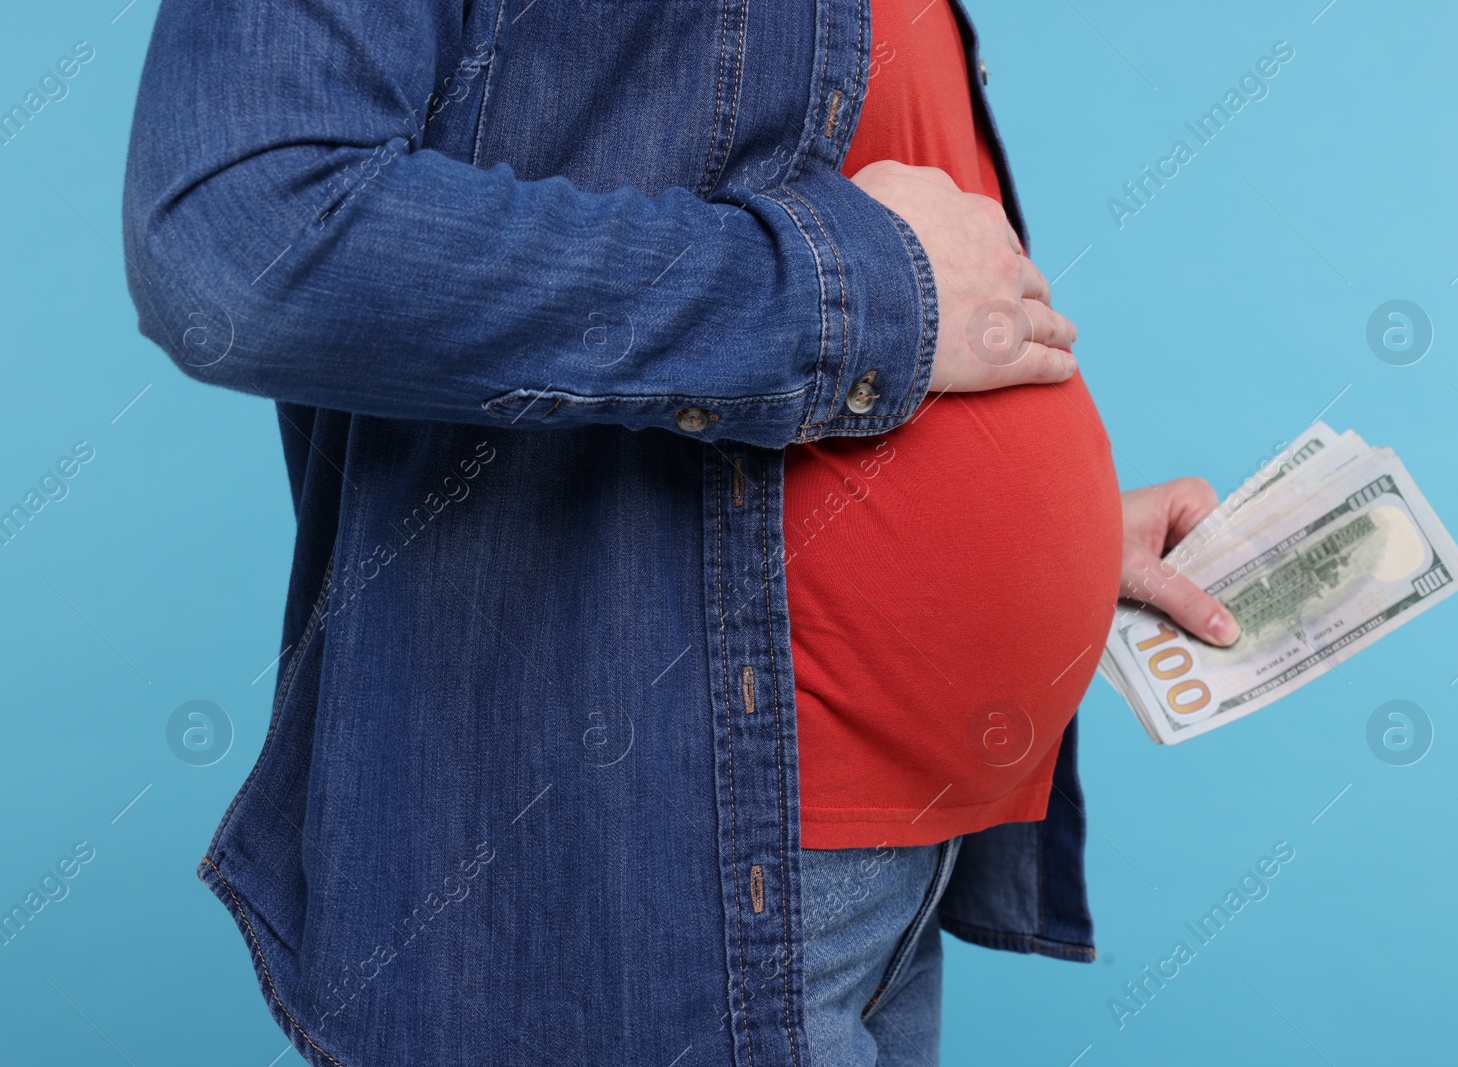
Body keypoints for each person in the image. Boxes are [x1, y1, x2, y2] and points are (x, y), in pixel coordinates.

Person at [123, 0, 1237, 1063]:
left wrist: (1058, 534)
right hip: (674, 838)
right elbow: (248, 237)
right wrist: (853, 289)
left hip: (884, 857)